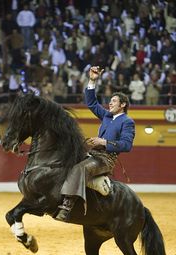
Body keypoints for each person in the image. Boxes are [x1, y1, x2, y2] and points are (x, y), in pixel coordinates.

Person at [56, 65, 135, 222]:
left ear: (123, 105)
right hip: (93, 154)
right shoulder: (106, 116)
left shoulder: (127, 122)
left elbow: (126, 145)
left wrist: (103, 141)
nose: (110, 104)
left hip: (106, 159)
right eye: (110, 101)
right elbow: (92, 103)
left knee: (79, 168)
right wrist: (92, 80)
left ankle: (66, 207)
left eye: (114, 101)